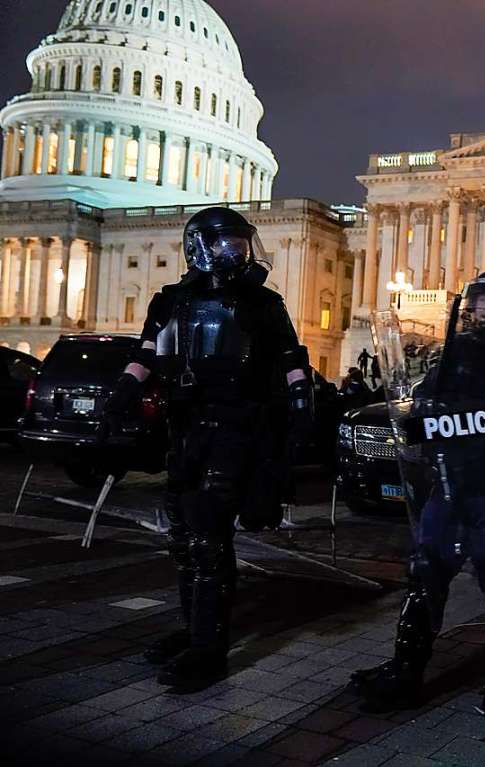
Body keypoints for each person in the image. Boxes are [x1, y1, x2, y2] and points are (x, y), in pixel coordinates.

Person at [100, 207, 313, 691]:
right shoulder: (172, 300)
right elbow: (148, 353)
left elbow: (289, 356)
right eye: (226, 243)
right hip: (188, 427)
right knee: (182, 537)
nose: (236, 251)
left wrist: (301, 402)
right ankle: (193, 629)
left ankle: (208, 649)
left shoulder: (263, 303)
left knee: (208, 536)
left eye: (241, 242)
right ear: (200, 247)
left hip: (236, 428)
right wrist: (122, 395)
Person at [351, 269, 485, 713]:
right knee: (425, 575)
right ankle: (407, 667)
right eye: (481, 302)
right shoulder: (455, 350)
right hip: (453, 483)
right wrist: (416, 418)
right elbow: (427, 398)